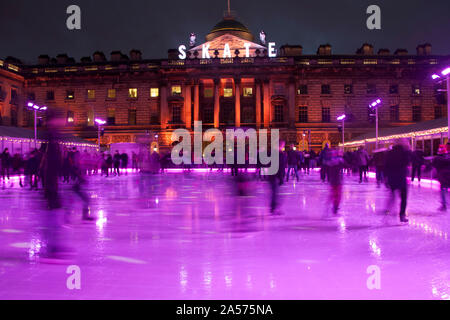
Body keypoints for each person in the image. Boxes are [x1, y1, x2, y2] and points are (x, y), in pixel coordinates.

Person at [384, 139, 411, 223]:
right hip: (401, 177)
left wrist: (386, 177)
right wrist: (408, 150)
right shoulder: (405, 153)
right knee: (403, 198)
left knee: (392, 195)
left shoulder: (389, 153)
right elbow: (407, 162)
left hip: (392, 177)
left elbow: (386, 166)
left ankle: (387, 211)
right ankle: (402, 215)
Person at [268, 140, 287, 215]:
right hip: (276, 176)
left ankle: (274, 208)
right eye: (283, 145)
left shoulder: (271, 153)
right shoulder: (281, 154)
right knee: (275, 193)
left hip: (271, 175)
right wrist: (281, 178)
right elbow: (281, 167)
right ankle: (274, 209)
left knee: (275, 192)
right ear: (281, 145)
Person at [326, 148, 345, 215]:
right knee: (338, 195)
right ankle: (335, 207)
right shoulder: (340, 161)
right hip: (338, 180)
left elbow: (326, 170)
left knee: (334, 194)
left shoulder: (330, 162)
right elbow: (345, 165)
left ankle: (334, 206)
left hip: (332, 180)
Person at [432, 143, 450, 211]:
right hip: (447, 176)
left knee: (443, 190)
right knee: (444, 190)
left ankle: (444, 205)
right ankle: (444, 205)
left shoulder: (437, 159)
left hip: (442, 176)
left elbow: (433, 165)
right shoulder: (448, 158)